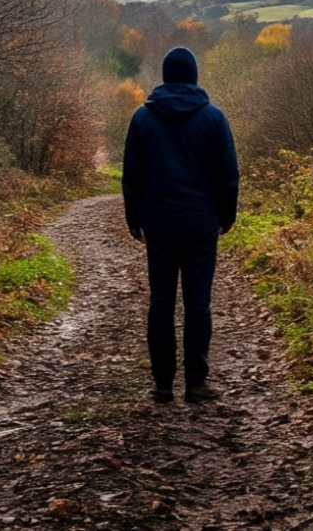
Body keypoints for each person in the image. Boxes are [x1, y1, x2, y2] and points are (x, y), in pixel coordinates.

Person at [122, 46, 239, 404]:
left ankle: (161, 385)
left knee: (161, 301)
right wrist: (226, 215)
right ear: (194, 76)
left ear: (165, 75)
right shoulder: (214, 118)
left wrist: (134, 218)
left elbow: (131, 176)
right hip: (201, 223)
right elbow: (228, 174)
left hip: (158, 223)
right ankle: (196, 384)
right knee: (197, 302)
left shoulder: (143, 118)